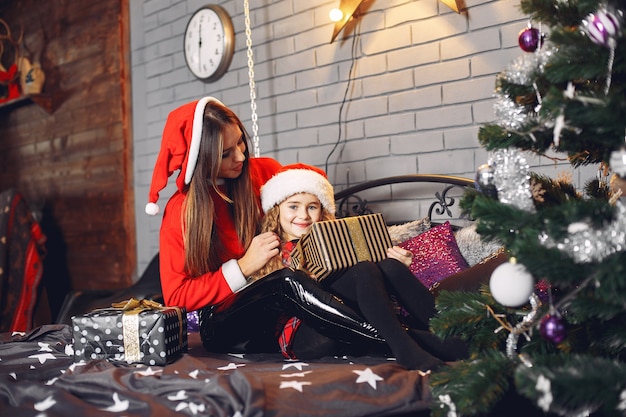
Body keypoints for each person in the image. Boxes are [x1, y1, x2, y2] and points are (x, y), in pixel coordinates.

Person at [145, 97, 383, 355]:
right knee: (284, 282)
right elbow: (177, 297)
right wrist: (244, 266)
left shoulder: (263, 173)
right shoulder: (182, 210)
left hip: (278, 316)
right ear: (203, 160)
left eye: (240, 141)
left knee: (354, 279)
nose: (240, 155)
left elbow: (311, 193)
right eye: (226, 154)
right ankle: (393, 341)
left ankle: (406, 332)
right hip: (224, 323)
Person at [254, 163, 468, 371]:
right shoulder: (268, 250)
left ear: (322, 211)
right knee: (365, 269)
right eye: (293, 206)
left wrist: (397, 265)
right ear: (276, 210)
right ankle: (409, 347)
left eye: (312, 207)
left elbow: (368, 288)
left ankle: (451, 329)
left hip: (355, 322)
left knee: (388, 267)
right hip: (308, 332)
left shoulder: (336, 242)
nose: (304, 215)